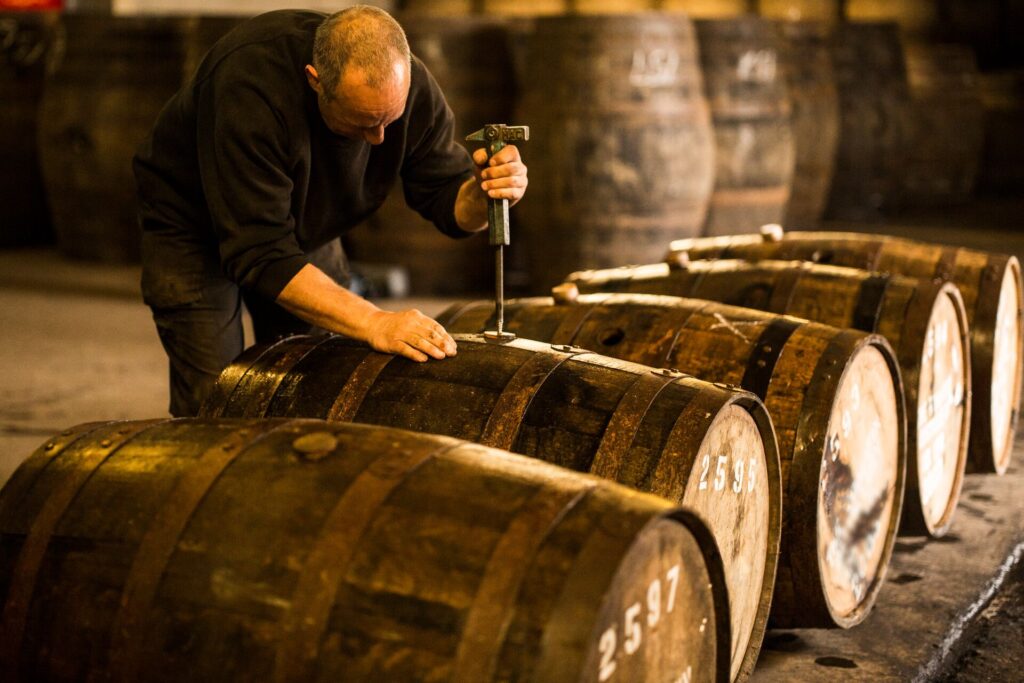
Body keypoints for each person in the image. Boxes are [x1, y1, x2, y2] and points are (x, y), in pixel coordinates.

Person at [133, 6, 528, 417]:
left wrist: (483, 194)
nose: (377, 139)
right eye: (362, 122)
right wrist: (375, 321)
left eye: (388, 121)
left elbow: (447, 200)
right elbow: (259, 253)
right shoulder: (251, 87)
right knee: (215, 400)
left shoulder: (410, 88)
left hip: (302, 224)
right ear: (315, 81)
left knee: (315, 385)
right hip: (193, 225)